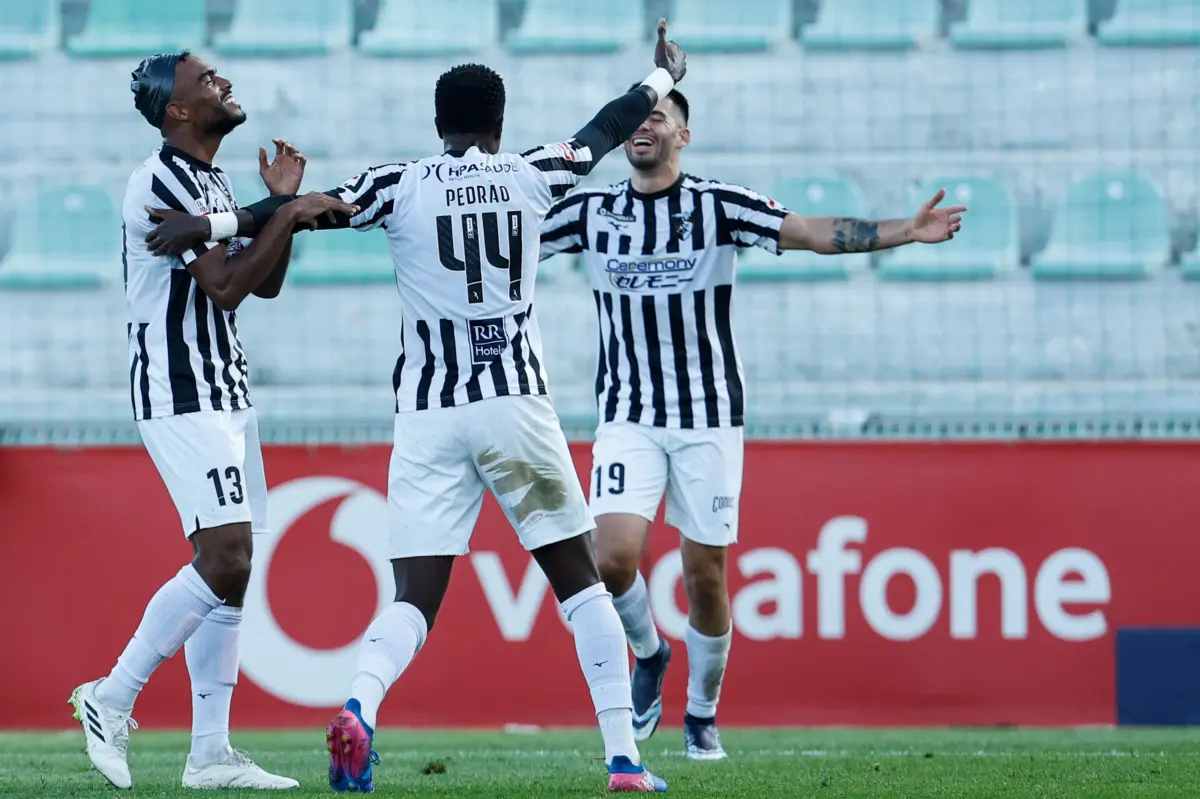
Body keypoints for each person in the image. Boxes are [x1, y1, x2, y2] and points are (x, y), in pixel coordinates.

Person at [143, 18, 689, 795]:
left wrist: (211, 224)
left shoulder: (398, 183)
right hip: (515, 405)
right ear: (500, 123)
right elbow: (608, 124)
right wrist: (663, 76)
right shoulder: (536, 171)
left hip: (430, 415)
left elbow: (307, 209)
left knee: (413, 598)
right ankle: (625, 760)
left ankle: (359, 707)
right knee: (580, 584)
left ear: (438, 124)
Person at [539, 87, 967, 760]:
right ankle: (648, 653)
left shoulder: (718, 206)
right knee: (610, 559)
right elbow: (506, 242)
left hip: (708, 418)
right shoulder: (590, 211)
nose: (643, 126)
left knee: (705, 577)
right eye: (637, 119)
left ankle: (701, 713)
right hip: (627, 414)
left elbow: (813, 233)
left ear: (683, 137)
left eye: (658, 117)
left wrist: (904, 232)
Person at [69, 51, 357, 791]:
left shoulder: (212, 181)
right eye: (205, 80)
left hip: (226, 389)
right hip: (180, 389)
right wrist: (286, 212)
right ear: (178, 111)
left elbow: (262, 283)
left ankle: (210, 754)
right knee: (225, 556)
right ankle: (112, 696)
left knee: (236, 570)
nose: (223, 82)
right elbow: (225, 287)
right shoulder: (162, 178)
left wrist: (280, 208)